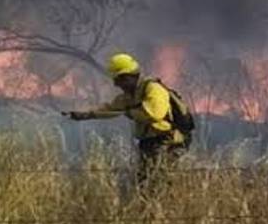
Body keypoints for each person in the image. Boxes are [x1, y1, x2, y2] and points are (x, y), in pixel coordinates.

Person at [64, 52, 188, 194]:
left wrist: (131, 112)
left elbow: (155, 113)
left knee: (157, 183)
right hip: (149, 142)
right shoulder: (131, 95)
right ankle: (147, 210)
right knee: (144, 181)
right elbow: (109, 109)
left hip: (166, 141)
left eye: (118, 79)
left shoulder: (153, 89)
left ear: (128, 76)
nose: (116, 84)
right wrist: (83, 115)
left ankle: (160, 211)